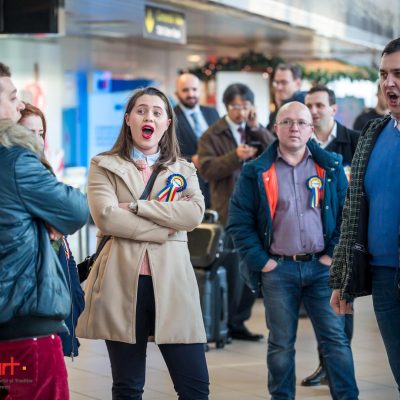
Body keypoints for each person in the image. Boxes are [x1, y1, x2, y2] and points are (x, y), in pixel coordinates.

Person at [76, 87, 209, 400]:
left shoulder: (183, 169)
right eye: (141, 110)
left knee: (195, 387)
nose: (149, 116)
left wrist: (136, 207)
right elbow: (107, 217)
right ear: (128, 119)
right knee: (128, 386)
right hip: (122, 282)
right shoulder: (104, 165)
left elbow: (193, 214)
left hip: (174, 284)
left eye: (157, 112)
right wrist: (166, 226)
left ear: (166, 123)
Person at [228, 101, 359, 399]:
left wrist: (332, 256)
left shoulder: (330, 167)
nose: (294, 128)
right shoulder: (256, 171)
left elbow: (349, 214)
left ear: (311, 129)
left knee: (335, 340)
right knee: (281, 345)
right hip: (278, 271)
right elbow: (238, 221)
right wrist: (262, 262)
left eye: (301, 122)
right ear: (276, 128)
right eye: (286, 122)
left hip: (322, 270)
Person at [0, 62, 89, 400]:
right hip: (24, 330)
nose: (21, 104)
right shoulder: (15, 161)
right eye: (12, 97)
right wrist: (43, 219)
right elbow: (76, 209)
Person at [330, 37, 400, 392]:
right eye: (384, 74)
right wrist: (344, 277)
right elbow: (353, 211)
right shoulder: (374, 133)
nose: (390, 83)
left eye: (398, 74)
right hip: (386, 277)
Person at [198, 83, 274, 341]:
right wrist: (235, 156)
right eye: (235, 107)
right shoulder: (213, 134)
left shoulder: (255, 129)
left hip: (258, 210)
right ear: (226, 107)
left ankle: (239, 322)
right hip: (228, 210)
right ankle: (226, 323)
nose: (240, 112)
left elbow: (277, 153)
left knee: (253, 267)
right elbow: (206, 169)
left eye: (245, 106)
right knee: (232, 270)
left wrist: (256, 128)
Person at [302, 85, 360, 386]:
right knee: (321, 306)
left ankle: (338, 366)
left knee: (343, 303)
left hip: (347, 235)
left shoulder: (355, 141)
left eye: (319, 105)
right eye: (309, 106)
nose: (313, 111)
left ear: (333, 109)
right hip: (314, 237)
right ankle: (328, 365)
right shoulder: (301, 142)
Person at [19, 102, 85, 358]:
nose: (37, 140)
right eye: (29, 132)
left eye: (41, 133)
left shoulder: (41, 168)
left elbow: (71, 209)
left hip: (59, 264)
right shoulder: (19, 171)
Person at [174, 73, 219, 207]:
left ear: (200, 91)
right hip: (190, 186)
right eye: (185, 90)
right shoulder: (170, 117)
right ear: (177, 94)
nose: (191, 94)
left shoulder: (212, 113)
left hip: (217, 183)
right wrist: (190, 160)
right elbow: (165, 152)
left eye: (194, 89)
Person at [267, 63, 306, 131]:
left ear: (298, 84)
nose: (278, 87)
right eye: (276, 82)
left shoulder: (306, 106)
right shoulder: (279, 106)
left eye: (284, 82)